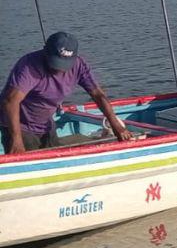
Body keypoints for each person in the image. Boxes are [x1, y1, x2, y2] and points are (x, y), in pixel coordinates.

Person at [1, 32, 133, 156]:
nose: (59, 69)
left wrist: (115, 124)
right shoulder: (29, 65)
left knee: (53, 159)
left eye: (65, 64)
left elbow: (98, 95)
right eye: (56, 62)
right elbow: (10, 101)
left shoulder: (79, 65)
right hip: (20, 126)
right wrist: (16, 139)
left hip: (46, 123)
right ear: (45, 51)